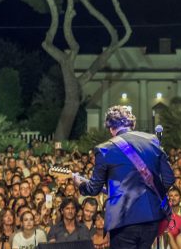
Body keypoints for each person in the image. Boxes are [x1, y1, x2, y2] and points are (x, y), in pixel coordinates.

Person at [73, 105, 175, 249]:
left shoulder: (104, 149)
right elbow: (169, 179)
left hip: (122, 220)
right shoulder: (152, 140)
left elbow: (94, 188)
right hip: (151, 219)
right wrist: (153, 194)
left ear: (110, 128)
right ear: (132, 124)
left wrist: (80, 185)